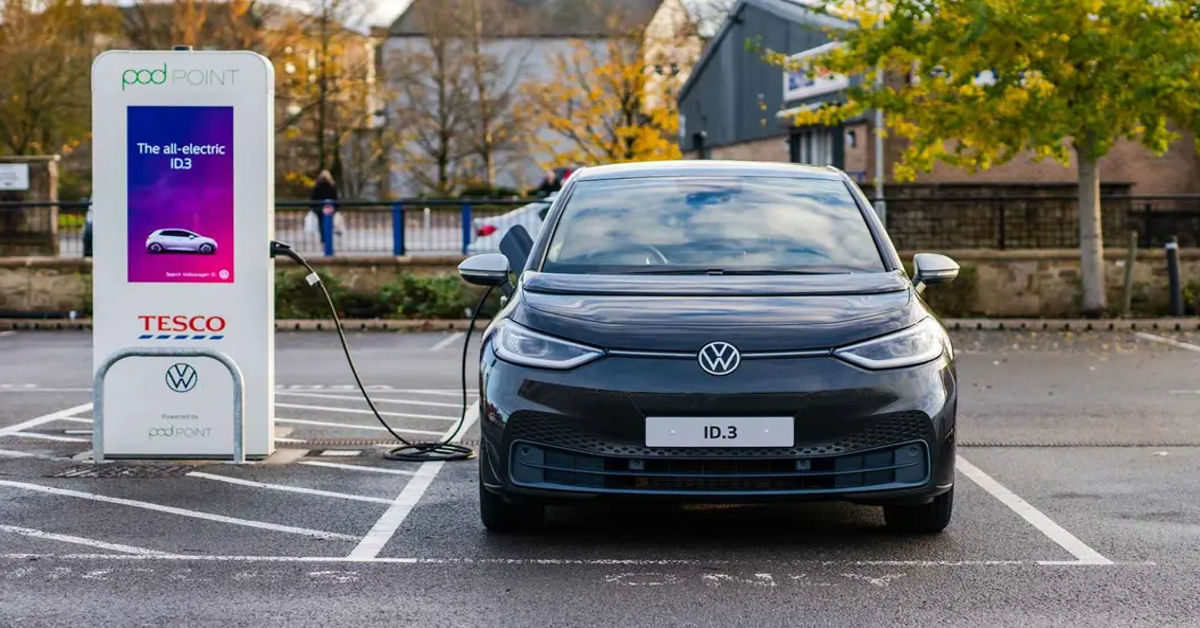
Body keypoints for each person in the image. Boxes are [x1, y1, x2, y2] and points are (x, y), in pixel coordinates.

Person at [309, 170, 338, 247]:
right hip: (330, 207)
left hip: (319, 207)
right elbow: (335, 197)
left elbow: (313, 197)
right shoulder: (332, 185)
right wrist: (336, 207)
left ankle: (323, 238)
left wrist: (313, 207)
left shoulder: (317, 185)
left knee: (321, 224)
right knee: (329, 223)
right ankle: (328, 237)